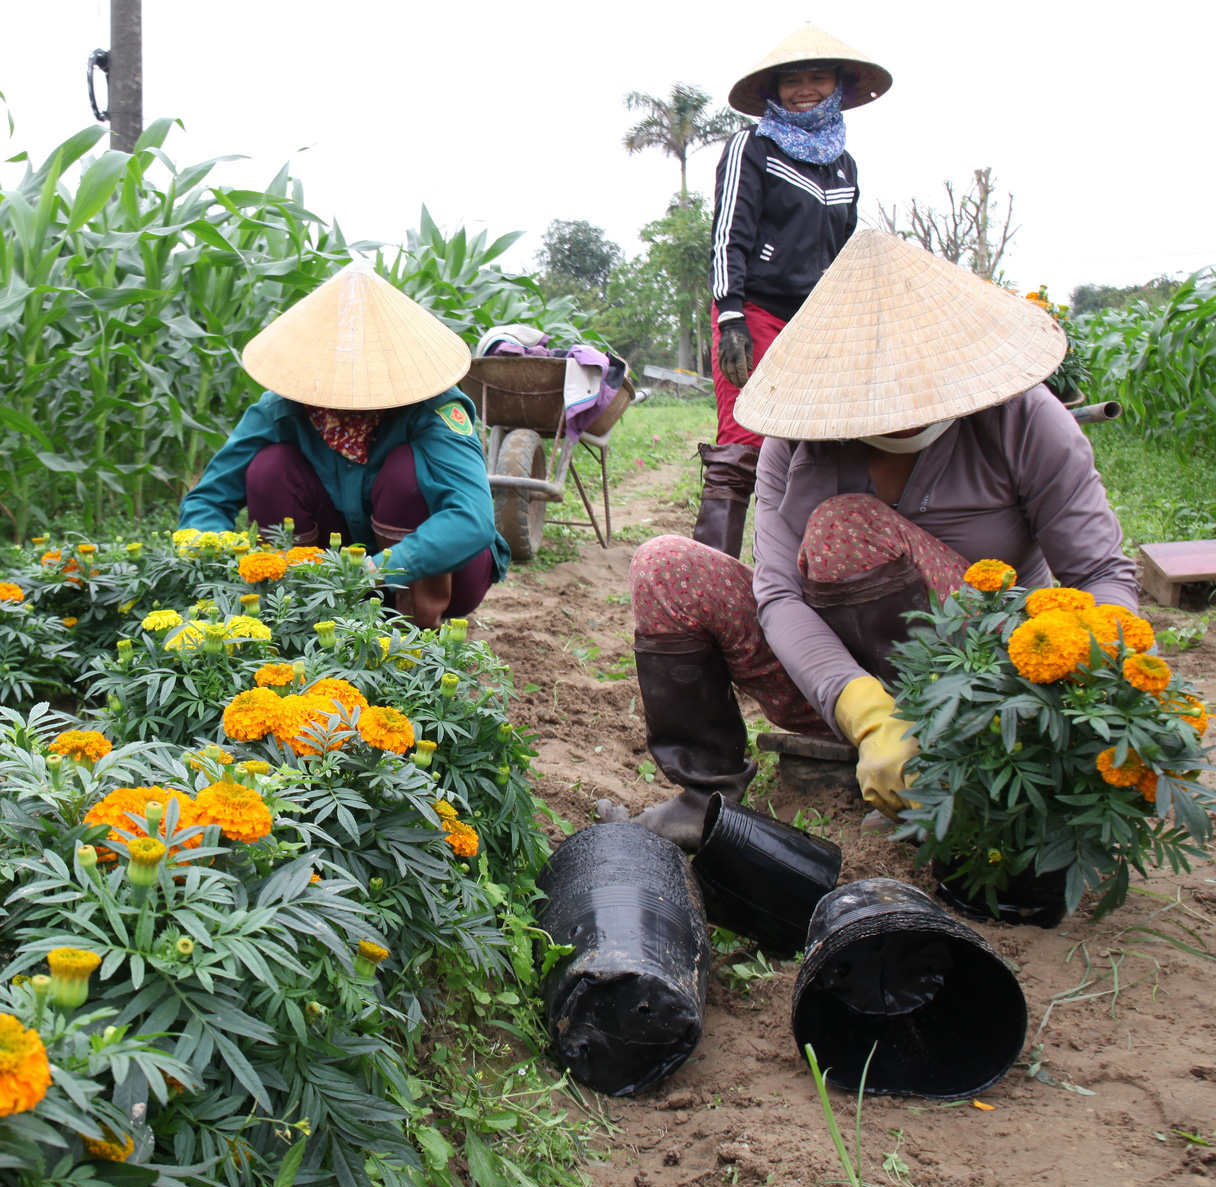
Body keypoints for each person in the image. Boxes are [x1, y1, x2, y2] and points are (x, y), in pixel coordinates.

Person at [618, 231, 1138, 847]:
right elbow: (779, 595)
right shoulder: (802, 435)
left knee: (847, 530)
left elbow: (1101, 573)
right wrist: (867, 715)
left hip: (984, 686)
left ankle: (945, 762)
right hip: (833, 688)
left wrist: (1102, 703)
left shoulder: (1022, 419)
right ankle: (706, 797)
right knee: (667, 567)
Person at [177, 261, 509, 627]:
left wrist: (371, 569)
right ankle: (296, 613)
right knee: (270, 467)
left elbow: (473, 520)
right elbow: (207, 501)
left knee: (405, 473)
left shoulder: (434, 408)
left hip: (440, 577)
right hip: (335, 574)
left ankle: (414, 631)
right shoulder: (283, 409)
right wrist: (227, 561)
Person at [697, 24, 892, 561]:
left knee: (819, 442)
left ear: (837, 87)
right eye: (793, 81)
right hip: (755, 311)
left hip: (817, 323)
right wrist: (730, 316)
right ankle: (710, 578)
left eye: (817, 78)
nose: (805, 89)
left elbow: (844, 250)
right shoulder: (751, 146)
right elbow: (728, 236)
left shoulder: (844, 164)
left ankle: (802, 572)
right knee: (742, 446)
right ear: (774, 90)